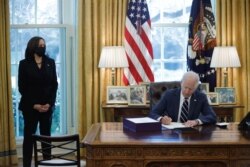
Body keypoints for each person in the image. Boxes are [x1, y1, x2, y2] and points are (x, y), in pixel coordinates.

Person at [18, 36, 58, 167]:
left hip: (47, 107)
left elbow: (54, 85)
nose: (43, 47)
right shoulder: (24, 64)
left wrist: (49, 104)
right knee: (29, 138)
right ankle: (26, 164)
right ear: (33, 47)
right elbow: (22, 87)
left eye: (44, 45)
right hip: (30, 108)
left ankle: (47, 163)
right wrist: (34, 105)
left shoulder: (50, 62)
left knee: (46, 138)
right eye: (40, 45)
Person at [149, 71, 216, 127]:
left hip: (192, 133)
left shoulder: (201, 97)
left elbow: (212, 116)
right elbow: (153, 113)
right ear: (181, 83)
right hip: (172, 133)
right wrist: (161, 119)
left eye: (190, 89)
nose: (187, 91)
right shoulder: (169, 95)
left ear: (195, 88)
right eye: (185, 87)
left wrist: (197, 121)